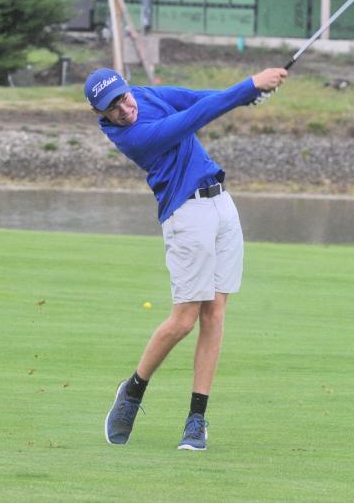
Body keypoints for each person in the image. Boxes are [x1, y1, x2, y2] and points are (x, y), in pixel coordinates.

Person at [86, 65, 287, 451]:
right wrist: (246, 84)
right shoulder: (134, 137)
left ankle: (196, 419)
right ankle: (133, 390)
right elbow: (193, 118)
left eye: (123, 97)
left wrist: (247, 94)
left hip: (221, 205)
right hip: (185, 216)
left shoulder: (142, 96)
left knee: (215, 313)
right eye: (112, 108)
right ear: (102, 115)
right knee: (183, 320)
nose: (124, 108)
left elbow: (194, 98)